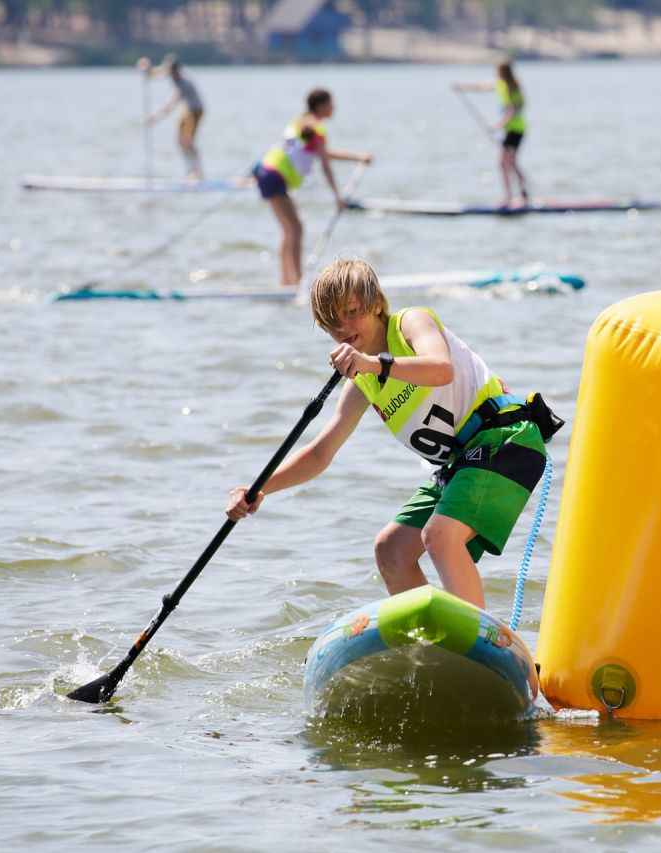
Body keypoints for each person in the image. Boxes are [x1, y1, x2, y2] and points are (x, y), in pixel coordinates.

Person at [226, 258, 558, 610]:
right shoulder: (362, 384)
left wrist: (373, 363)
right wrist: (261, 488)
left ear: (377, 305)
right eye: (331, 324)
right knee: (391, 551)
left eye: (351, 312)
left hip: (505, 440)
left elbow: (441, 369)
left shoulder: (411, 322)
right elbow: (321, 452)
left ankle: (475, 644)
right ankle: (433, 643)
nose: (343, 328)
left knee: (439, 537)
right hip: (462, 463)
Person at [253, 89, 372, 288]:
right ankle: (298, 281)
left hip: (267, 172)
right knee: (296, 228)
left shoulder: (299, 121)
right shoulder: (316, 128)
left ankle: (287, 281)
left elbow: (323, 154)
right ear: (321, 106)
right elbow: (325, 164)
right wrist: (337, 196)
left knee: (289, 229)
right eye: (331, 104)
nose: (334, 108)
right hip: (275, 175)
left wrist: (357, 157)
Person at [454, 59, 529, 208]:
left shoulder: (512, 88)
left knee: (506, 163)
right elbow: (482, 86)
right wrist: (462, 86)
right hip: (510, 130)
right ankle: (515, 195)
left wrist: (494, 126)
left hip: (516, 130)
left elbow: (511, 112)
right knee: (508, 163)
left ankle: (515, 196)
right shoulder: (500, 83)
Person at [139, 54, 205, 180]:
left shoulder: (184, 82)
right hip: (187, 109)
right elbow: (153, 74)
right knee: (180, 142)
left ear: (177, 71)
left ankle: (198, 172)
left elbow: (171, 104)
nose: (170, 75)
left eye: (172, 72)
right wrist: (145, 68)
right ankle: (189, 171)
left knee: (188, 141)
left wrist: (154, 117)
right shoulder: (171, 71)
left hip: (196, 109)